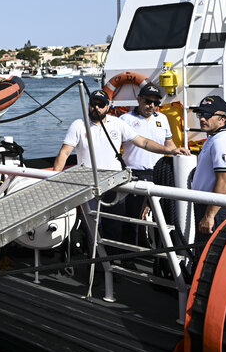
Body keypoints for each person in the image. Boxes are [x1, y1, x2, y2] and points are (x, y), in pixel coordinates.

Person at [52, 89, 188, 245]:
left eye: (101, 104)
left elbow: (143, 142)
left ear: (108, 106)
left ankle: (115, 262)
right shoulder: (79, 125)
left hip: (114, 184)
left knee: (115, 226)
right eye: (93, 104)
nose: (96, 108)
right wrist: (54, 182)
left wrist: (170, 150)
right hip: (89, 184)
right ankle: (96, 267)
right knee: (93, 228)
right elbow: (64, 153)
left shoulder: (117, 124)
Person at [119, 83, 175, 243]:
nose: (152, 106)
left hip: (159, 174)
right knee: (132, 218)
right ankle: (128, 256)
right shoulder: (126, 119)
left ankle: (161, 253)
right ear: (139, 99)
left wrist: (176, 154)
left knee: (163, 218)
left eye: (156, 103)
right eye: (148, 101)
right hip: (135, 174)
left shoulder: (163, 119)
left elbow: (169, 143)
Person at [189, 95, 226, 236]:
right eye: (200, 114)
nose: (202, 119)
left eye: (207, 115)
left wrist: (209, 215)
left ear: (222, 119)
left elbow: (224, 182)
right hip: (210, 206)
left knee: (208, 254)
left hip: (216, 209)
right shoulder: (213, 139)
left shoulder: (222, 142)